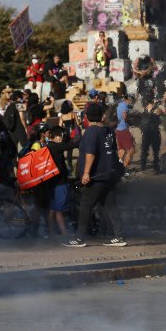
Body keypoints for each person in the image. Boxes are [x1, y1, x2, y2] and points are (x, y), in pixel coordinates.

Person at [64, 104, 126, 248]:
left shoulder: (91, 132)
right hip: (109, 174)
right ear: (101, 115)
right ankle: (119, 236)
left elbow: (90, 154)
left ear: (86, 117)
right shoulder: (108, 130)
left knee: (86, 206)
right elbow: (113, 150)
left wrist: (86, 173)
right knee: (111, 206)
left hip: (96, 177)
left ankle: (79, 238)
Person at [45, 126, 78, 237]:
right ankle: (64, 232)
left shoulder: (47, 146)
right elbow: (72, 146)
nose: (62, 139)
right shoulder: (55, 146)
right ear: (58, 136)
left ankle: (50, 231)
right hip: (60, 182)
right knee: (59, 209)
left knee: (52, 208)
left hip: (51, 182)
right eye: (61, 137)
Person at [138, 97, 161, 173]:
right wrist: (151, 112)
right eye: (150, 104)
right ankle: (143, 165)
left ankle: (156, 166)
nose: (152, 105)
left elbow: (158, 121)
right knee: (144, 150)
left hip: (154, 133)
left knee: (156, 151)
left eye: (152, 104)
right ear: (147, 106)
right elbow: (145, 122)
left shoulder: (155, 113)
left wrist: (156, 113)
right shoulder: (144, 114)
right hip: (147, 134)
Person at [115, 93, 136, 170]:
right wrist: (130, 122)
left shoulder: (119, 105)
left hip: (118, 129)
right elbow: (124, 116)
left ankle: (119, 167)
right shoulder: (125, 106)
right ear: (129, 99)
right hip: (124, 129)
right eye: (132, 100)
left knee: (121, 149)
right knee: (131, 149)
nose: (132, 102)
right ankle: (124, 168)